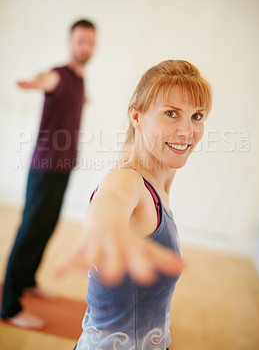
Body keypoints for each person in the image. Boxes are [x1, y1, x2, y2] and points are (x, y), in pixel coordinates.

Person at [57, 60, 212, 350]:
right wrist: (107, 226)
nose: (187, 131)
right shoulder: (126, 181)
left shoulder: (161, 183)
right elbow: (112, 200)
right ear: (137, 117)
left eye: (197, 116)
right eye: (171, 113)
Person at [1, 19, 97, 329]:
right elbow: (47, 79)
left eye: (90, 42)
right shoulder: (59, 74)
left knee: (46, 227)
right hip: (45, 166)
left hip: (64, 166)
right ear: (70, 42)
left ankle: (27, 281)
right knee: (30, 230)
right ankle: (9, 306)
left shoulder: (81, 80)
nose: (86, 47)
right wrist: (35, 82)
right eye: (81, 41)